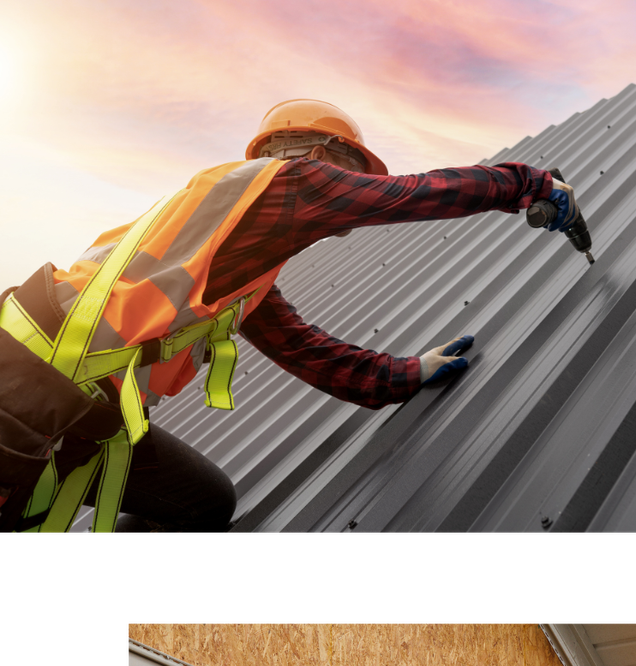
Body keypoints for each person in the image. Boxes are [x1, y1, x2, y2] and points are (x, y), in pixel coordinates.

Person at [0, 99, 579, 534]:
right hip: (25, 391)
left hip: (78, 410)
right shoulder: (290, 181)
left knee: (203, 504)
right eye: (355, 168)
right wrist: (528, 185)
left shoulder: (231, 251)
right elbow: (408, 195)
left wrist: (402, 375)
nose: (360, 184)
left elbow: (301, 347)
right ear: (322, 154)